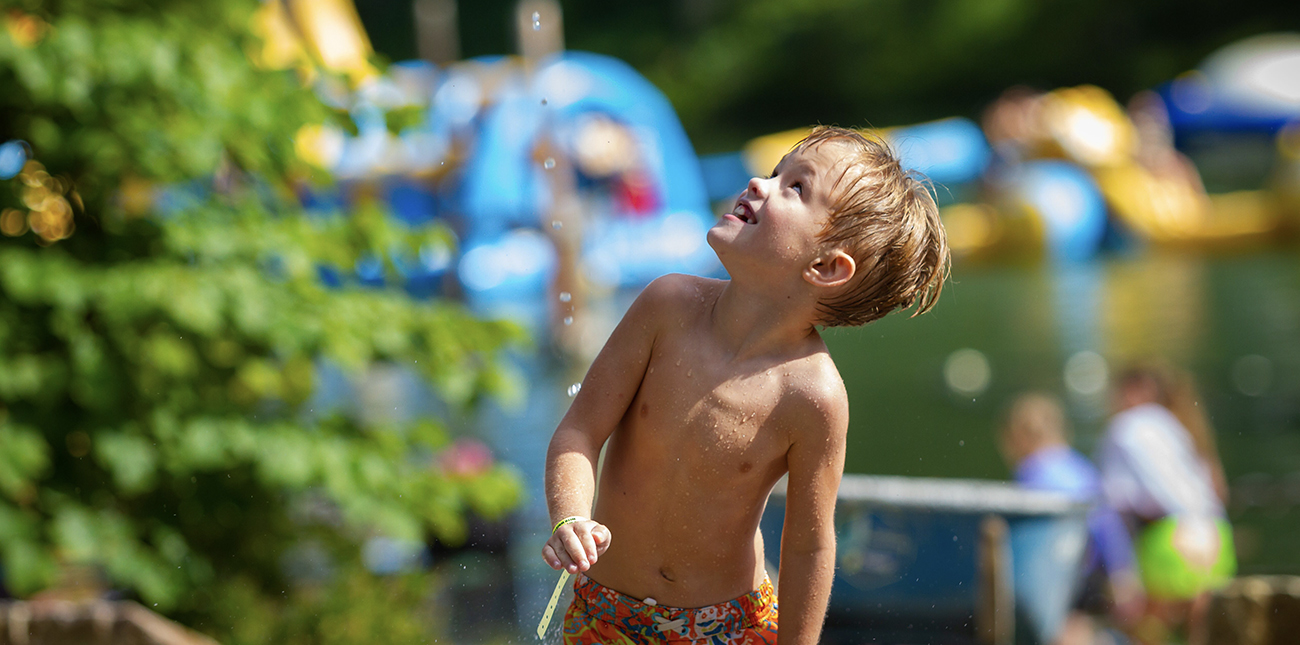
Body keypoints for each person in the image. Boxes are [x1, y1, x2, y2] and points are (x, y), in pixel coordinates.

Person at [541, 126, 950, 645]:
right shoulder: (666, 308)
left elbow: (808, 546)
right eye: (776, 171)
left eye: (795, 187)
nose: (760, 182)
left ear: (825, 266)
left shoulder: (812, 394)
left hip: (728, 626)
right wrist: (570, 516)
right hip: (604, 612)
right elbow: (579, 431)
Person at [1097, 364, 1235, 645]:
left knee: (1144, 629)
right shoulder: (1177, 424)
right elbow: (1218, 491)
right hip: (1215, 537)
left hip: (1166, 541)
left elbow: (1112, 505)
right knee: (1201, 632)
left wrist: (1120, 572)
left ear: (1128, 392)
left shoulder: (1125, 427)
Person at [999, 393, 1143, 645]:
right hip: (1089, 569)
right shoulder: (1080, 467)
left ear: (1018, 437)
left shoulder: (1031, 471)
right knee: (1079, 627)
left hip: (1055, 569)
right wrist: (1123, 571)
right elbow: (1107, 523)